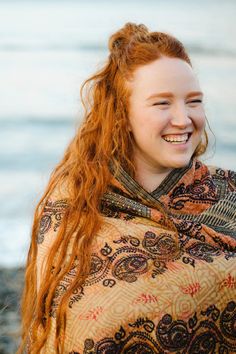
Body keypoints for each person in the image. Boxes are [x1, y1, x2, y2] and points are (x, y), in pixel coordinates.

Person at [18, 23, 236, 353]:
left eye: (194, 101)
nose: (183, 118)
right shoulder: (73, 206)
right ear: (122, 114)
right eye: (162, 103)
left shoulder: (228, 191)